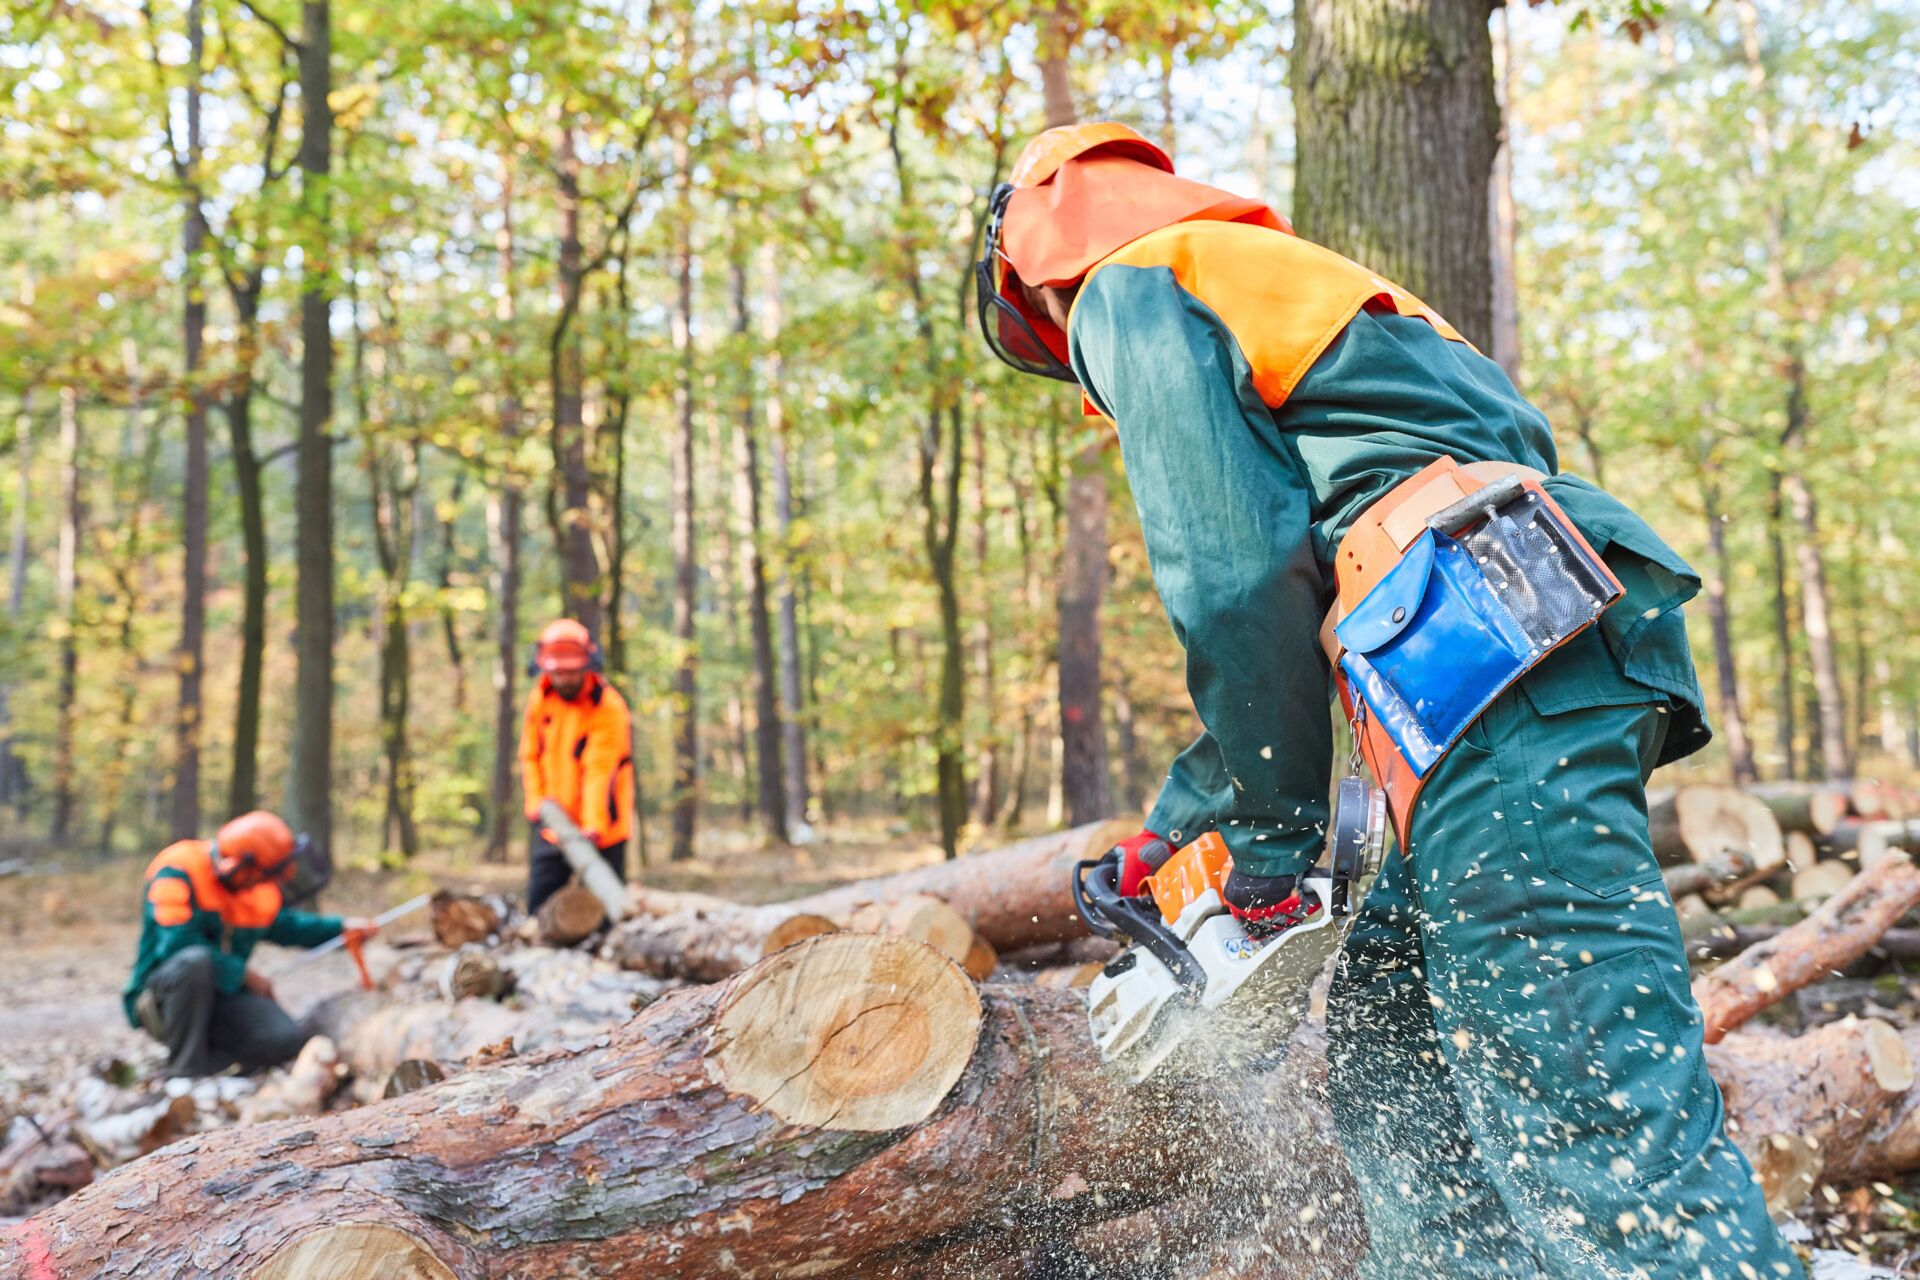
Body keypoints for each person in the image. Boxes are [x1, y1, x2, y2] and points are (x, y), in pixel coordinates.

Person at [978, 122, 1799, 1279]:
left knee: (1596, 1132)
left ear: (1034, 264)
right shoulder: (1286, 290)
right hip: (1504, 661)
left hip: (1489, 676)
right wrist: (1188, 817)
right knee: (1394, 1047)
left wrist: (1271, 834)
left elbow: (1232, 572)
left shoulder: (1131, 282)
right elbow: (1301, 568)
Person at [124, 810, 374, 1078]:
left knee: (285, 1038)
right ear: (240, 866)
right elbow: (176, 945)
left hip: (225, 998)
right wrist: (245, 975)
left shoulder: (253, 889)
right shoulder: (177, 870)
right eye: (265, 876)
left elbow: (287, 926)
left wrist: (339, 928)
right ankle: (184, 1074)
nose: (267, 884)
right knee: (195, 962)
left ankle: (216, 1065)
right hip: (161, 1000)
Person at [519, 618, 634, 914]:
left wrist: (593, 824)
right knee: (539, 910)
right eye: (558, 673)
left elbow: (600, 768)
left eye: (571, 673)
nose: (564, 680)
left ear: (587, 665)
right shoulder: (540, 699)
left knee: (606, 915)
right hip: (553, 825)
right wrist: (536, 800)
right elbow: (530, 754)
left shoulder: (607, 706)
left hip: (603, 829)